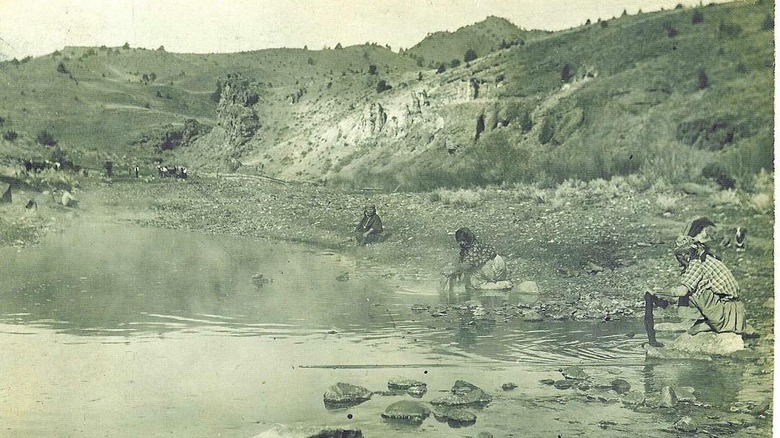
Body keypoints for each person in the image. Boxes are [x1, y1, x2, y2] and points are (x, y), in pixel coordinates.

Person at [647, 233, 747, 340]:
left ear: (688, 254)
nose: (680, 259)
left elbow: (682, 291)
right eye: (678, 255)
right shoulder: (704, 258)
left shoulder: (696, 263)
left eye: (681, 255)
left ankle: (713, 323)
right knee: (692, 288)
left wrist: (655, 291)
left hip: (726, 309)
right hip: (729, 305)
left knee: (692, 291)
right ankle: (705, 320)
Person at [448, 227, 513, 290]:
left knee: (477, 284)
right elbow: (463, 263)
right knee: (470, 282)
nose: (461, 243)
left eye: (463, 240)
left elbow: (466, 266)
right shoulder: (467, 247)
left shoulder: (474, 248)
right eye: (459, 241)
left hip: (496, 268)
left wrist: (452, 271)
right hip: (493, 266)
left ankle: (504, 284)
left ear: (468, 238)